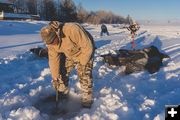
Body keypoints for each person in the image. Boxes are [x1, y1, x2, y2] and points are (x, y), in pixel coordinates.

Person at [40, 21, 95, 108]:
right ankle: (62, 92)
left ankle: (87, 99)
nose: (52, 45)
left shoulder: (72, 30)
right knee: (61, 72)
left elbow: (87, 47)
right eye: (49, 43)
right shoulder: (50, 43)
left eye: (52, 42)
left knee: (84, 74)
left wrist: (82, 64)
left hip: (85, 50)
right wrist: (55, 77)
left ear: (56, 34)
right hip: (69, 53)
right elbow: (53, 59)